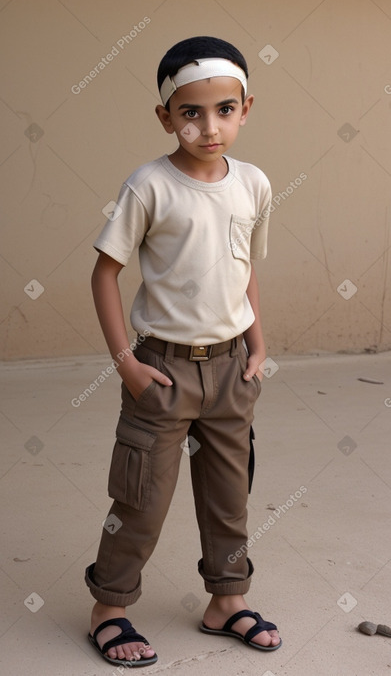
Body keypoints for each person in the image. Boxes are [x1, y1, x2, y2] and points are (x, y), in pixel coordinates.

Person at [85, 35, 282, 667]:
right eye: (190, 112)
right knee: (142, 496)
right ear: (165, 117)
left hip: (231, 371)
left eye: (224, 110)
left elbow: (244, 264)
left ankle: (226, 600)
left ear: (246, 107)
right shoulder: (149, 186)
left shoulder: (253, 184)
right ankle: (109, 608)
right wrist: (128, 365)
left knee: (230, 495)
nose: (209, 127)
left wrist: (256, 345)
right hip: (162, 370)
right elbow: (104, 274)